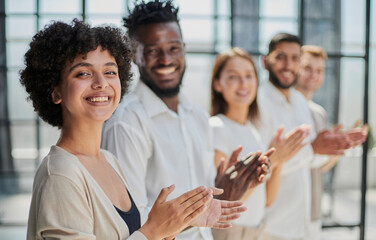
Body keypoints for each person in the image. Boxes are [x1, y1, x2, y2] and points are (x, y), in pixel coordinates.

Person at [22, 19, 245, 240]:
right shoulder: (61, 173)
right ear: (56, 91)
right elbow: (145, 234)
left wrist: (178, 220)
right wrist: (153, 231)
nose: (101, 83)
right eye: (83, 73)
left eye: (110, 72)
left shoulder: (109, 161)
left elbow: (133, 234)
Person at [101, 1, 271, 239]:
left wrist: (224, 190)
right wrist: (190, 216)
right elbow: (130, 220)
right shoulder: (126, 122)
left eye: (174, 48)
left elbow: (203, 204)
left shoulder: (198, 117)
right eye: (152, 51)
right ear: (134, 55)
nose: (166, 60)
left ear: (183, 48)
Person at [256, 33, 363, 240]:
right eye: (281, 57)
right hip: (272, 227)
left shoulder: (299, 102)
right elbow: (263, 167)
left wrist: (336, 145)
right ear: (265, 61)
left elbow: (310, 160)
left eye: (295, 58)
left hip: (303, 224)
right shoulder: (258, 103)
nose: (288, 65)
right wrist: (313, 148)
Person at [208, 47, 311, 240]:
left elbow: (268, 201)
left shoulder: (254, 131)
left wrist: (278, 160)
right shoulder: (216, 127)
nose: (243, 83)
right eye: (233, 76)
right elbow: (224, 200)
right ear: (217, 84)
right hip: (230, 231)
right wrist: (272, 161)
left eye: (249, 75)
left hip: (255, 230)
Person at [295, 45, 368, 239]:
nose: (314, 75)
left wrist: (342, 146)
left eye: (319, 70)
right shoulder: (286, 108)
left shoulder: (319, 113)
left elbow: (319, 167)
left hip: (313, 210)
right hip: (287, 211)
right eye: (308, 68)